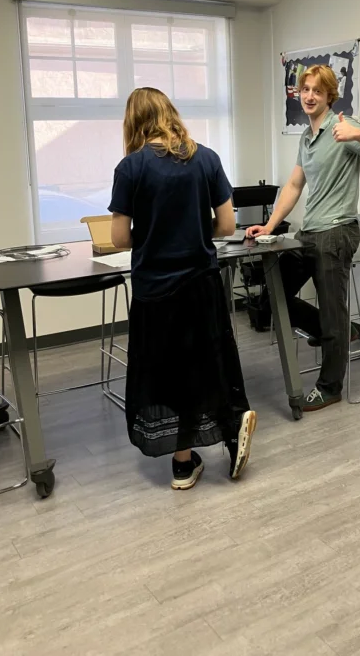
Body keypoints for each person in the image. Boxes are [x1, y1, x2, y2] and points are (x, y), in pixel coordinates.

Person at [109, 87, 256, 490]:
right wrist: (191, 230)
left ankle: (182, 463)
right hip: (201, 284)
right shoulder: (206, 158)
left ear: (134, 123)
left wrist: (156, 232)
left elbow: (120, 238)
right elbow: (227, 227)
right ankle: (232, 422)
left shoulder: (130, 168)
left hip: (154, 290)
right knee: (207, 363)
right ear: (170, 114)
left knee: (166, 373)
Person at [247, 65, 360, 412]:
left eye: (317, 91)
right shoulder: (307, 137)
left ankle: (330, 387)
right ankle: (338, 333)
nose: (310, 96)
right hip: (309, 232)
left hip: (337, 232)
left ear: (330, 95)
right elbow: (294, 185)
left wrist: (359, 136)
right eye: (305, 90)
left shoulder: (344, 127)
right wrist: (271, 225)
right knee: (272, 295)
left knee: (333, 312)